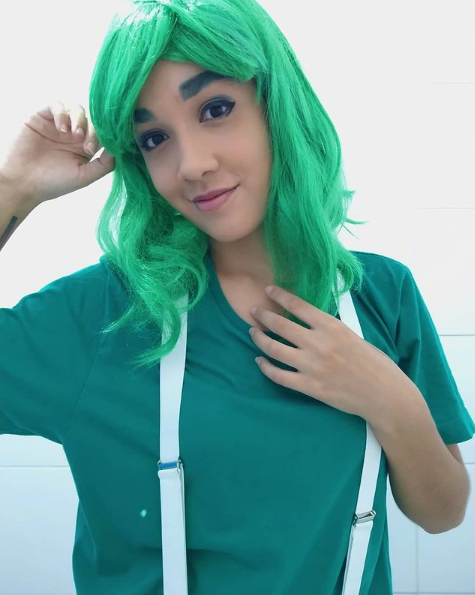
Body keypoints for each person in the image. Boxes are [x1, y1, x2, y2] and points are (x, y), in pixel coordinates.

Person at [1, 0, 474, 594]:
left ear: (275, 105)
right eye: (154, 138)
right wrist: (11, 187)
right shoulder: (105, 316)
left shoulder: (382, 295)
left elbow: (443, 512)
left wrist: (389, 398)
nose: (192, 165)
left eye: (215, 109)